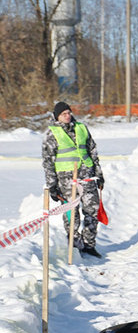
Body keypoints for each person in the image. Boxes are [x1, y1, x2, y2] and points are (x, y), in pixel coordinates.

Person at [42, 101, 105, 258]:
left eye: (69, 112)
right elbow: (48, 161)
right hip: (66, 180)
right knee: (72, 213)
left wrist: (99, 174)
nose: (68, 115)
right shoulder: (52, 133)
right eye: (64, 114)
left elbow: (92, 151)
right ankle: (75, 246)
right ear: (57, 116)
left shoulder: (81, 128)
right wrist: (52, 186)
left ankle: (89, 245)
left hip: (87, 177)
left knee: (92, 210)